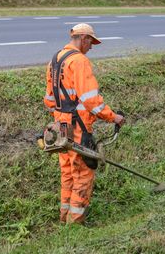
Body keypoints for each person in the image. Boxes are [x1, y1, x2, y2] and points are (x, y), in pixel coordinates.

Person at [44, 23, 125, 224]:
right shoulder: (79, 61)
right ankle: (76, 221)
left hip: (61, 127)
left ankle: (64, 217)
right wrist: (112, 117)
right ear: (83, 38)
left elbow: (49, 100)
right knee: (82, 171)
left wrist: (62, 117)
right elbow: (90, 99)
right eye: (91, 41)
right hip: (78, 127)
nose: (92, 46)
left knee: (68, 172)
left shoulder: (55, 60)